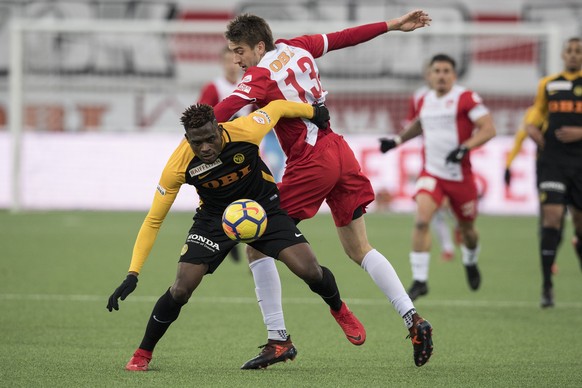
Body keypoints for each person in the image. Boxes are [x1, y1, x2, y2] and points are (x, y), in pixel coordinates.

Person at [213, 10, 434, 368]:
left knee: (255, 242)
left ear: (258, 46)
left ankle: (278, 340)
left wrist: (194, 129)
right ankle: (413, 319)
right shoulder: (299, 46)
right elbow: (346, 36)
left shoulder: (260, 75)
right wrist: (393, 25)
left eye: (239, 51)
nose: (236, 59)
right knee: (360, 248)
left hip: (311, 161)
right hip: (339, 151)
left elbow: (224, 108)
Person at [106, 100, 367, 371]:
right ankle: (143, 353)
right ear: (187, 139)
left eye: (210, 138)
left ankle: (339, 310)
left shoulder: (246, 130)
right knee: (181, 288)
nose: (205, 147)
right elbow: (153, 220)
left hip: (262, 208)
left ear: (219, 129)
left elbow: (277, 108)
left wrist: (314, 112)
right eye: (197, 143)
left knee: (310, 270)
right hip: (214, 219)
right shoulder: (177, 166)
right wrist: (132, 273)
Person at [379, 53, 496, 301]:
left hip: (460, 176)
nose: (441, 75)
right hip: (431, 173)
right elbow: (420, 124)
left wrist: (465, 147)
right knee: (422, 220)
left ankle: (470, 260)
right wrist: (397, 140)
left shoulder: (465, 98)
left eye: (446, 71)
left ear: (453, 75)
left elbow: (489, 129)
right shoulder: (424, 98)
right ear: (429, 75)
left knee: (468, 231)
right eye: (437, 71)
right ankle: (420, 280)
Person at [524, 37, 582, 308]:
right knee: (552, 218)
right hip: (553, 162)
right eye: (569, 51)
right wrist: (533, 131)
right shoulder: (548, 84)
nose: (573, 55)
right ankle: (547, 285)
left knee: (579, 226)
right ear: (562, 54)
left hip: (580, 163)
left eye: (578, 51)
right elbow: (535, 117)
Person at [405, 79, 456, 261]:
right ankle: (447, 247)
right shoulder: (420, 96)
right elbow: (410, 126)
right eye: (433, 71)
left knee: (450, 207)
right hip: (429, 164)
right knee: (431, 209)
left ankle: (460, 230)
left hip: (453, 163)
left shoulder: (458, 97)